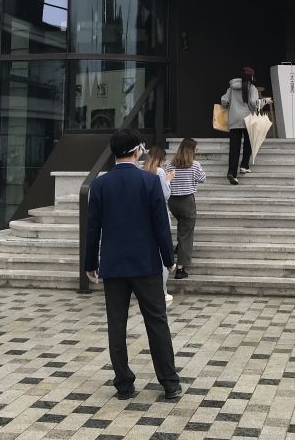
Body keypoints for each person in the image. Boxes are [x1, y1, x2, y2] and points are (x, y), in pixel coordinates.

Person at [84, 128, 182, 401]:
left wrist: (90, 262)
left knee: (116, 325)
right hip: (146, 264)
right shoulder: (149, 182)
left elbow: (92, 228)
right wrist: (169, 259)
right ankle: (170, 383)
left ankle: (124, 384)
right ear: (138, 150)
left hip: (113, 265)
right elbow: (161, 226)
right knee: (157, 322)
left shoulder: (100, 185)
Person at [221, 67, 268, 185]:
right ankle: (244, 165)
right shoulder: (252, 88)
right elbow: (254, 103)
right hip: (248, 119)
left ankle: (232, 172)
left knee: (234, 148)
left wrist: (230, 104)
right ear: (251, 76)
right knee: (249, 143)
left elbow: (224, 101)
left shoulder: (231, 88)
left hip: (234, 120)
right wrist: (265, 101)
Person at [168, 137, 205, 280]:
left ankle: (180, 246)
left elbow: (166, 179)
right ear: (192, 150)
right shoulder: (194, 165)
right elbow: (202, 178)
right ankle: (180, 268)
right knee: (187, 233)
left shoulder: (171, 164)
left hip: (173, 201)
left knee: (183, 227)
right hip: (187, 201)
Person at [142, 146, 175, 304]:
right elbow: (165, 195)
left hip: (143, 216)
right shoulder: (159, 172)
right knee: (162, 254)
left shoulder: (140, 170)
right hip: (159, 214)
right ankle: (162, 290)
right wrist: (168, 180)